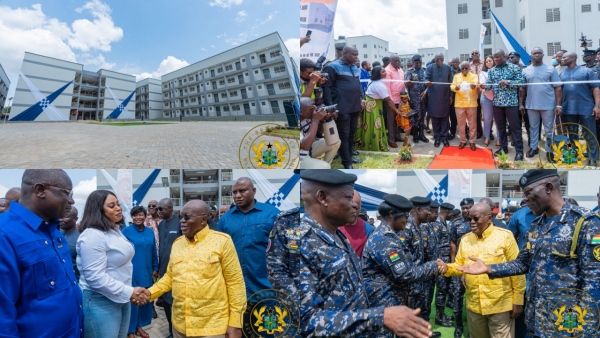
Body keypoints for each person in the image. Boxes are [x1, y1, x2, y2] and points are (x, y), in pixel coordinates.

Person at [266, 169, 433, 337]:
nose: (355, 205)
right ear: (322, 197)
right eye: (348, 198)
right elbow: (305, 322)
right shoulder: (299, 243)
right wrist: (380, 317)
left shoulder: (336, 235)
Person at [458, 169, 600, 338]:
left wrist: (587, 329)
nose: (524, 199)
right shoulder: (536, 225)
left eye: (528, 193)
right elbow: (522, 263)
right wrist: (490, 268)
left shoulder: (586, 223)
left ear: (548, 187)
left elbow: (594, 282)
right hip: (536, 319)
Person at [142, 200, 246, 338]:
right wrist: (149, 293)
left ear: (204, 219)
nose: (182, 221)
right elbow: (170, 277)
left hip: (212, 328)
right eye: (181, 217)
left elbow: (235, 284)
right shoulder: (177, 244)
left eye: (187, 217)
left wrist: (235, 323)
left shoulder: (222, 241)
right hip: (180, 326)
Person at [0, 169, 83, 337]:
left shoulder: (54, 231)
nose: (71, 200)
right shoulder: (5, 234)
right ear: (40, 190)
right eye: (67, 193)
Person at [362, 194, 444, 338]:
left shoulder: (391, 235)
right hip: (382, 304)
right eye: (405, 216)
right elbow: (405, 274)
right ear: (392, 214)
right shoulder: (385, 240)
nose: (408, 219)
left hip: (390, 300)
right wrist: (433, 266)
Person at [440, 202, 526, 338]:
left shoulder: (505, 236)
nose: (472, 222)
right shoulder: (465, 240)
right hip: (474, 305)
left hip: (500, 304)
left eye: (476, 218)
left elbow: (517, 271)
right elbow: (460, 265)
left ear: (489, 218)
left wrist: (518, 301)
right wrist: (447, 268)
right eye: (469, 219)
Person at [77, 190, 144, 338]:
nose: (118, 208)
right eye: (112, 206)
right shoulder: (92, 235)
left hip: (120, 296)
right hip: (100, 301)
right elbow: (94, 277)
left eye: (118, 204)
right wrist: (130, 292)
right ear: (98, 210)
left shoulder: (114, 230)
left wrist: (127, 292)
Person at [217, 178, 280, 315]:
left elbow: (285, 248)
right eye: (234, 192)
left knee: (267, 331)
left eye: (242, 191)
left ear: (254, 191)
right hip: (236, 292)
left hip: (266, 290)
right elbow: (219, 252)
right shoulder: (225, 219)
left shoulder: (272, 213)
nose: (237, 195)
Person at [323, 46, 365, 169]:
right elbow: (327, 88)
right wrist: (331, 108)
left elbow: (357, 85)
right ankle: (347, 162)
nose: (356, 57)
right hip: (341, 106)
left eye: (357, 55)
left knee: (352, 132)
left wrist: (361, 99)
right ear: (344, 53)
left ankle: (349, 154)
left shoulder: (354, 67)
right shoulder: (332, 66)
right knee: (344, 134)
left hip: (355, 105)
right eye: (354, 55)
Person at [518, 47, 563, 160]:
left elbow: (557, 88)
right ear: (531, 56)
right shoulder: (525, 70)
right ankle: (534, 148)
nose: (537, 55)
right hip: (531, 105)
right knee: (533, 128)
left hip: (548, 105)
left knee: (549, 128)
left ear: (543, 55)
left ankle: (549, 151)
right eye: (534, 53)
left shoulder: (550, 70)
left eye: (539, 53)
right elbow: (522, 89)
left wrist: (558, 105)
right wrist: (521, 104)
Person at [482, 49, 526, 161]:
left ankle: (519, 152)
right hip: (497, 103)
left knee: (515, 128)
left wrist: (508, 82)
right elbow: (489, 85)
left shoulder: (514, 68)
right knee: (500, 128)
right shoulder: (492, 71)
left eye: (498, 57)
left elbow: (521, 82)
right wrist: (484, 86)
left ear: (504, 56)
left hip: (511, 103)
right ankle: (503, 147)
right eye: (494, 57)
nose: (496, 59)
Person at [122, 206, 158, 338]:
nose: (138, 217)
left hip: (147, 271)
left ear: (145, 216)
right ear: (132, 217)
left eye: (141, 215)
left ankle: (139, 326)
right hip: (132, 271)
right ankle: (130, 330)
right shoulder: (126, 231)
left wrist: (156, 267)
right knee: (133, 301)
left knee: (144, 300)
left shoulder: (150, 232)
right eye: (135, 215)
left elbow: (154, 250)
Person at [559, 51, 600, 166]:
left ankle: (593, 158)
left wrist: (597, 106)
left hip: (586, 108)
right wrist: (559, 106)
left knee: (590, 134)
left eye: (564, 57)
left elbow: (596, 89)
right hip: (568, 109)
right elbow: (559, 92)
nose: (562, 59)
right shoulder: (561, 74)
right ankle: (573, 157)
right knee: (572, 134)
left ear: (572, 58)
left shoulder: (587, 71)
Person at [355, 65, 401, 150]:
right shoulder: (379, 85)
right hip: (373, 108)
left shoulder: (372, 81)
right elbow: (389, 100)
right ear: (378, 74)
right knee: (374, 127)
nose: (385, 73)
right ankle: (375, 146)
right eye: (383, 72)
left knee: (368, 126)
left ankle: (368, 144)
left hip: (370, 105)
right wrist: (396, 110)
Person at [448, 198, 474, 338]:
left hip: (475, 266)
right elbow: (452, 243)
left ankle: (473, 328)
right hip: (459, 265)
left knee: (473, 298)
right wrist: (453, 264)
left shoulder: (477, 221)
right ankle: (458, 326)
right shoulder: (455, 223)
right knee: (457, 297)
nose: (465, 210)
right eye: (463, 208)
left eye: (468, 207)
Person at [157, 197, 182, 338]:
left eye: (161, 208)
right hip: (164, 271)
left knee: (176, 303)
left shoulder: (180, 222)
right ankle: (171, 331)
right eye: (157, 208)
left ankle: (177, 332)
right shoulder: (161, 224)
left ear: (171, 208)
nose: (158, 211)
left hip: (177, 272)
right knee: (166, 302)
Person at [300, 97, 340, 168]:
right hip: (300, 157)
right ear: (301, 112)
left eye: (315, 107)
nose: (315, 111)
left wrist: (323, 121)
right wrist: (315, 120)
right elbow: (304, 146)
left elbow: (318, 133)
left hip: (309, 150)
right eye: (311, 109)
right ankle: (321, 167)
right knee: (325, 166)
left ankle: (322, 167)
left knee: (335, 142)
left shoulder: (308, 117)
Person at [433, 202, 455, 327]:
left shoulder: (443, 223)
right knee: (441, 290)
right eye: (451, 212)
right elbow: (435, 244)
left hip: (445, 262)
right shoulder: (437, 223)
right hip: (440, 262)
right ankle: (439, 318)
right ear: (447, 212)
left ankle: (441, 314)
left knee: (444, 290)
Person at [425, 53, 453, 147]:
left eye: (441, 59)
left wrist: (451, 96)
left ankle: (444, 137)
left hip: (445, 96)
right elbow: (426, 79)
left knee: (445, 118)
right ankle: (437, 137)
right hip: (433, 97)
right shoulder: (430, 68)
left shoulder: (448, 68)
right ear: (435, 59)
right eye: (437, 59)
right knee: (435, 118)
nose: (439, 61)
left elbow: (451, 83)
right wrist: (427, 82)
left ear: (444, 59)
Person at [452, 60, 480, 150]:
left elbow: (476, 84)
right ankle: (463, 141)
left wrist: (474, 86)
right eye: (462, 68)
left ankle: (472, 141)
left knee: (472, 124)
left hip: (471, 103)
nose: (464, 69)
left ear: (469, 68)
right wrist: (455, 88)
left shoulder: (474, 76)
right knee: (461, 124)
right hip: (459, 104)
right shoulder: (456, 76)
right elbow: (452, 86)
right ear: (460, 68)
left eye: (466, 68)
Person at [339, 190, 374, 258]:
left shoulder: (368, 229)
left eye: (356, 207)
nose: (353, 211)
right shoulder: (333, 227)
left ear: (360, 205)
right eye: (349, 207)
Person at [384, 55, 407, 147]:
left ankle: (397, 136)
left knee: (399, 119)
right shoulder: (387, 70)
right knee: (391, 121)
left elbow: (402, 84)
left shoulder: (401, 70)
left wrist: (405, 97)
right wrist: (391, 101)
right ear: (391, 61)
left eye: (399, 61)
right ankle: (391, 139)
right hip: (391, 100)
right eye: (396, 61)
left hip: (400, 99)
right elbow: (387, 87)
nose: (398, 63)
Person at [405, 55, 430, 144]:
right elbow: (406, 83)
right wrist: (407, 82)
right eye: (416, 63)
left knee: (422, 116)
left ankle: (421, 135)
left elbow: (428, 84)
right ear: (413, 63)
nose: (418, 64)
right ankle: (415, 135)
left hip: (424, 98)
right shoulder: (410, 71)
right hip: (414, 99)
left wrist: (426, 91)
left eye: (419, 62)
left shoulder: (425, 70)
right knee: (416, 117)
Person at [60, 206, 81, 280]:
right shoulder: (55, 234)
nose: (61, 220)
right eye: (60, 216)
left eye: (65, 217)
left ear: (75, 219)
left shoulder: (80, 238)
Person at [471, 50, 485, 139]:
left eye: (476, 53)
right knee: (476, 114)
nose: (475, 55)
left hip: (485, 92)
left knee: (488, 114)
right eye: (473, 54)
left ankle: (489, 132)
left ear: (479, 55)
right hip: (474, 94)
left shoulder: (484, 63)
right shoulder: (468, 65)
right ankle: (479, 131)